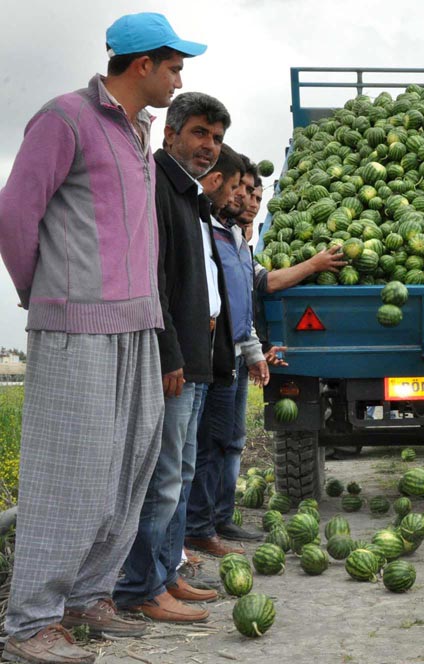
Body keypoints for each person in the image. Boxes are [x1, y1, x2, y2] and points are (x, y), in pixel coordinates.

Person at [0, 13, 205, 663]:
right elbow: (14, 214)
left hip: (137, 327)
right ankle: (31, 622)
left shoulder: (138, 136)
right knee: (70, 476)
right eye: (174, 65)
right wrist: (44, 295)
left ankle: (90, 596)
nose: (180, 77)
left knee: (125, 470)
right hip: (75, 325)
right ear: (141, 63)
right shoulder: (64, 119)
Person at [113, 92, 234, 623]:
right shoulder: (158, 185)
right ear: (170, 134)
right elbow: (154, 277)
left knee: (181, 475)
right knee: (163, 479)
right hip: (177, 357)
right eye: (200, 134)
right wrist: (168, 352)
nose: (209, 146)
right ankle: (141, 586)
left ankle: (166, 575)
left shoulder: (191, 196)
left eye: (217, 138)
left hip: (199, 356)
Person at [186, 150, 271, 553]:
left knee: (232, 440)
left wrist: (252, 349)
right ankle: (201, 527)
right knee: (211, 443)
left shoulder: (238, 240)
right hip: (215, 354)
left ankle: (219, 518)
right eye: (239, 189)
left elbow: (243, 301)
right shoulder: (210, 232)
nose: (245, 197)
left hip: (236, 352)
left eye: (251, 191)